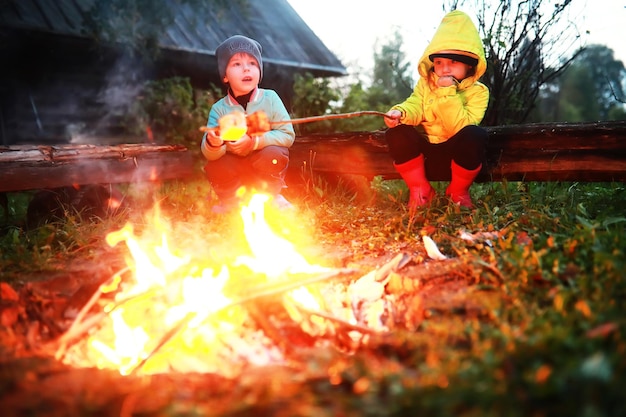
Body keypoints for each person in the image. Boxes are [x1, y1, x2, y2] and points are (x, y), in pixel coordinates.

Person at [384, 10, 489, 209]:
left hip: (457, 155)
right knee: (397, 133)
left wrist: (447, 91)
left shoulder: (478, 92)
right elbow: (415, 105)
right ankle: (421, 191)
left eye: (453, 62)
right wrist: (401, 113)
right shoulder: (426, 84)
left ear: (470, 65)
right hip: (425, 155)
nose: (444, 69)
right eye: (439, 62)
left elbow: (460, 127)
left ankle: (457, 192)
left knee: (474, 135)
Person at [201, 35, 295, 213]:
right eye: (236, 64)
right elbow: (209, 154)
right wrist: (214, 143)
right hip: (236, 168)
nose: (246, 69)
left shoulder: (270, 99)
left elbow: (287, 135)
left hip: (264, 164)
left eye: (252, 63)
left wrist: (254, 142)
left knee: (274, 153)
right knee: (216, 165)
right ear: (225, 76)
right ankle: (231, 201)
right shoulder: (219, 109)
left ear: (259, 71)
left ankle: (270, 196)